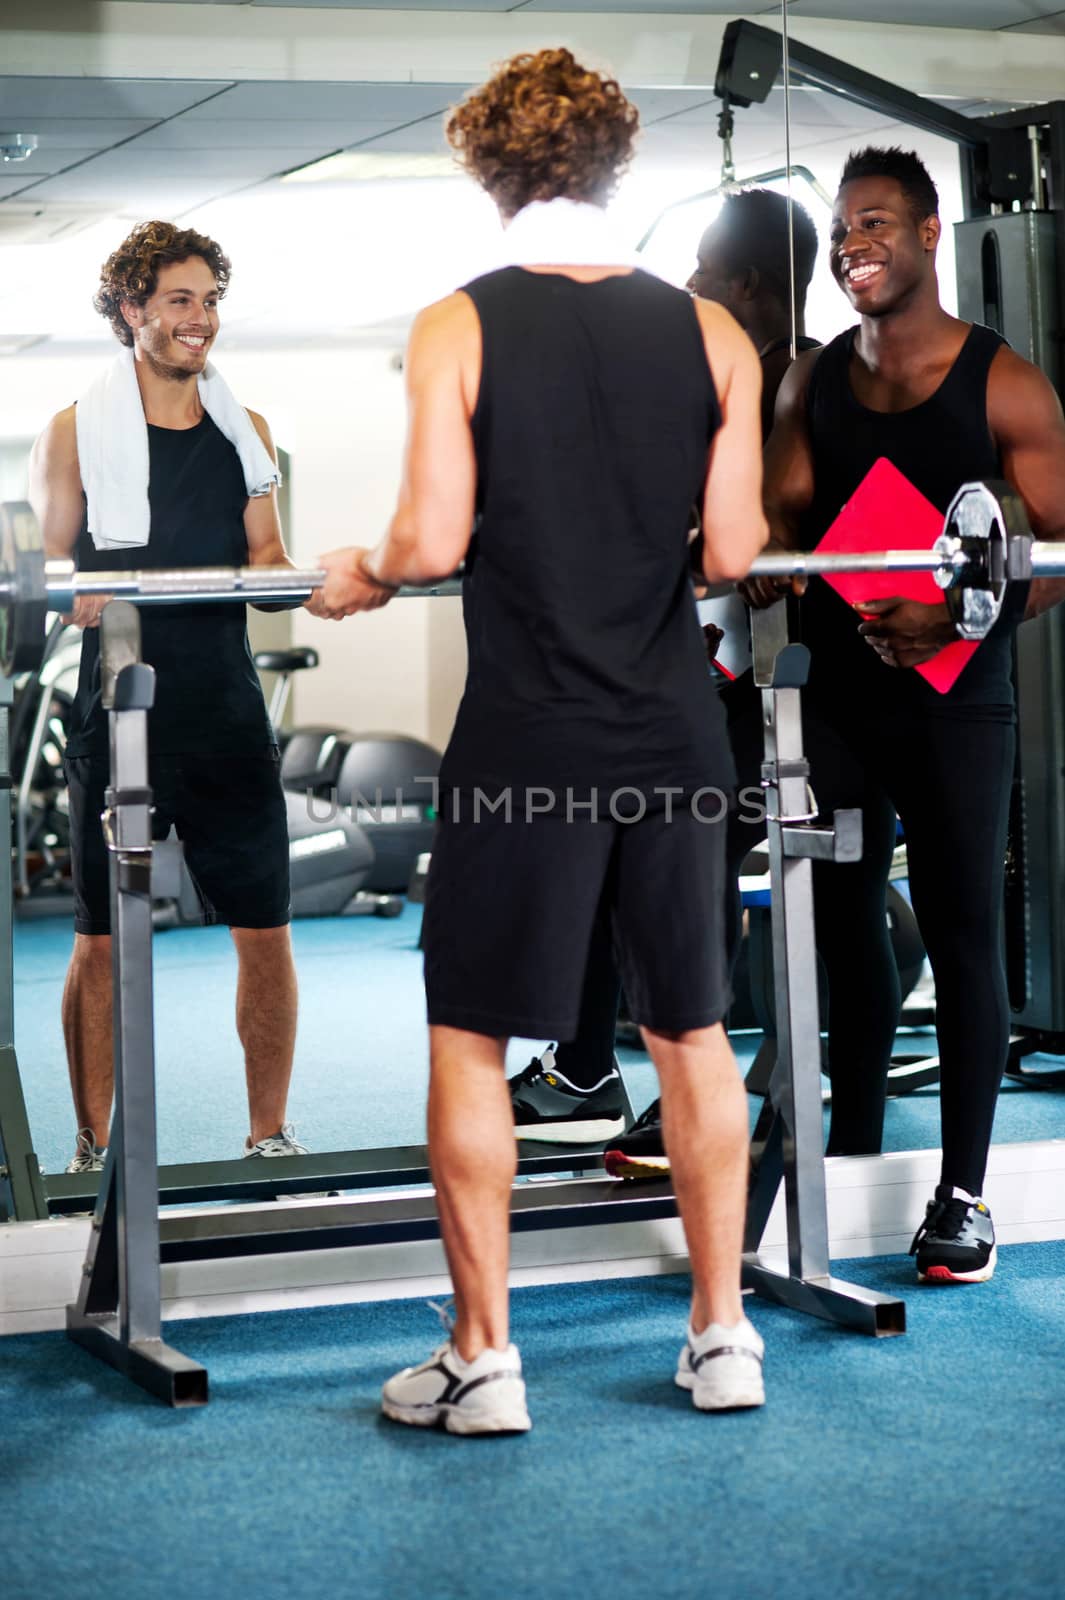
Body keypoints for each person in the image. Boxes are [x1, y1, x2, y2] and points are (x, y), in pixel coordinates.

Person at [315, 47, 770, 1430]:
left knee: (468, 1036)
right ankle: (723, 1335)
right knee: (689, 1032)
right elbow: (737, 550)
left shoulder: (459, 324)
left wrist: (365, 574)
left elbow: (431, 538)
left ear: (487, 173)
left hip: (529, 742)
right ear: (617, 168)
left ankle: (484, 1359)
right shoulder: (712, 334)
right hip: (675, 734)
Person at [735, 146, 1064, 1283]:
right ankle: (853, 1156)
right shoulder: (809, 380)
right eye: (840, 229)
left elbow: (1062, 551)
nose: (851, 244)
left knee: (964, 928)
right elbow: (775, 519)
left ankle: (963, 1195)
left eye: (874, 223)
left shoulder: (1004, 383)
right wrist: (764, 559)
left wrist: (964, 622)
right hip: (836, 695)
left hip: (956, 696)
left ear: (931, 235)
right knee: (835, 922)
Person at [29, 220, 311, 1176]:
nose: (202, 321)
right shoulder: (73, 432)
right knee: (101, 940)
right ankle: (90, 1146)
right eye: (180, 301)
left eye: (210, 300)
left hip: (226, 708)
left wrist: (313, 580)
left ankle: (268, 1134)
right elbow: (52, 573)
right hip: (118, 705)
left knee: (264, 929)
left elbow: (266, 560)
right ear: (131, 311)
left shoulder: (249, 430)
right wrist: (76, 589)